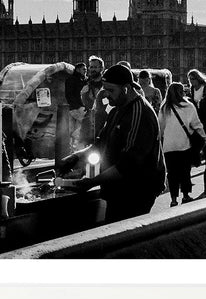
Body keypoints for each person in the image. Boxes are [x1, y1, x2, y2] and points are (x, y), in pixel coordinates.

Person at [67, 64, 164, 223]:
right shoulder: (116, 110)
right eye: (105, 90)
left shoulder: (139, 113)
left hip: (137, 190)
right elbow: (100, 144)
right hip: (119, 187)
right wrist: (74, 158)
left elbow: (129, 164)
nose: (107, 96)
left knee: (123, 232)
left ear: (126, 88)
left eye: (111, 90)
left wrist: (92, 181)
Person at [158, 81, 206, 206]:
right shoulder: (188, 106)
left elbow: (160, 128)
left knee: (172, 174)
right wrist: (203, 137)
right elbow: (196, 124)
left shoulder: (164, 107)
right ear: (181, 92)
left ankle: (173, 199)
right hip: (184, 145)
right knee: (185, 172)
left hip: (169, 146)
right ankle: (185, 195)